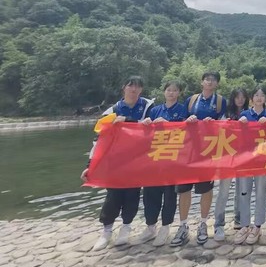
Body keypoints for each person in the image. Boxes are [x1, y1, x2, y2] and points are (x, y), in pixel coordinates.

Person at [80, 76, 154, 251]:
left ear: (141, 89)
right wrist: (90, 165)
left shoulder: (148, 107)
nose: (134, 90)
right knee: (113, 196)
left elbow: (157, 130)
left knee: (132, 196)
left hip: (138, 161)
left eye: (137, 87)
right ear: (124, 88)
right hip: (116, 162)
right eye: (130, 86)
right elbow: (99, 140)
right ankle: (106, 231)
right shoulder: (111, 111)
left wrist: (134, 122)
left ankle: (126, 228)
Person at [171, 71, 227, 247]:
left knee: (206, 189)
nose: (210, 82)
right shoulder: (191, 100)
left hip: (207, 152)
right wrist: (189, 119)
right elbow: (181, 122)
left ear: (217, 84)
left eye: (213, 80)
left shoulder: (220, 101)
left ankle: (203, 224)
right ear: (202, 82)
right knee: (184, 189)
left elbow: (224, 124)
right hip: (188, 151)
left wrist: (214, 122)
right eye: (207, 79)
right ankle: (183, 226)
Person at [137, 80, 189, 246]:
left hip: (173, 158)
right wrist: (147, 124)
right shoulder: (155, 110)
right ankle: (150, 226)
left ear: (179, 93)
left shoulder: (183, 109)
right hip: (155, 158)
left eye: (175, 90)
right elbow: (145, 133)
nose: (171, 93)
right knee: (150, 193)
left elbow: (187, 130)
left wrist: (169, 124)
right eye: (168, 90)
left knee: (169, 194)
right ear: (164, 92)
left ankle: (166, 227)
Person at [234, 86, 266, 245]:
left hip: (262, 161)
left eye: (262, 95)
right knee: (244, 192)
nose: (259, 98)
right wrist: (239, 125)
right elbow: (235, 136)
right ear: (251, 99)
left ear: (265, 98)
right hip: (246, 160)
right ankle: (244, 225)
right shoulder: (244, 115)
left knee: (261, 192)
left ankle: (257, 225)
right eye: (256, 95)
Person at [213, 88, 249, 241]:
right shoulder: (226, 114)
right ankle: (218, 223)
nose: (240, 100)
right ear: (233, 99)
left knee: (242, 190)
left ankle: (239, 219)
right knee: (224, 190)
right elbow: (218, 130)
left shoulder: (249, 113)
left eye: (243, 97)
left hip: (244, 157)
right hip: (227, 157)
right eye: (237, 97)